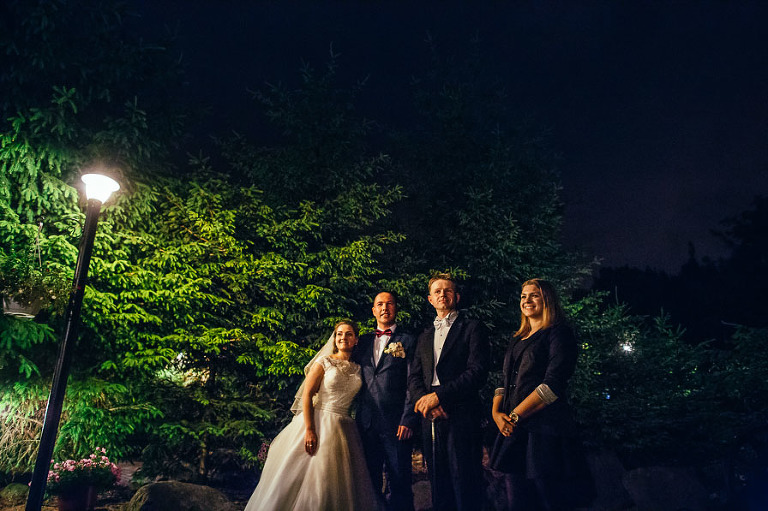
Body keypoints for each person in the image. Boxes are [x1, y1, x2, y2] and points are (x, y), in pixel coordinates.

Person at [245, 320, 379, 511]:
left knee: (340, 481)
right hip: (319, 422)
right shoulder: (324, 362)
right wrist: (309, 429)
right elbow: (307, 395)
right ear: (334, 338)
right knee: (312, 476)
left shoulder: (359, 368)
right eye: (339, 334)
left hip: (345, 428)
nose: (343, 337)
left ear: (356, 340)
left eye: (349, 334)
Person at [489, 278, 594, 511]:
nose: (527, 300)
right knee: (517, 501)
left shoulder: (558, 334)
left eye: (534, 295)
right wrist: (496, 413)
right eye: (523, 296)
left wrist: (514, 415)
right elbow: (503, 380)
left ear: (547, 299)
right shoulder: (517, 338)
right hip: (515, 431)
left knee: (549, 499)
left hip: (545, 432)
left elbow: (553, 384)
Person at [408, 273, 490, 511]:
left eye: (448, 290)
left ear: (457, 297)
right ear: (430, 299)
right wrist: (425, 402)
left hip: (461, 412)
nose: (442, 294)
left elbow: (477, 371)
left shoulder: (472, 328)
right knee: (438, 480)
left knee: (465, 480)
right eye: (437, 291)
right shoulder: (424, 336)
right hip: (429, 414)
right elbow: (414, 376)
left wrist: (440, 397)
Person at [354, 291, 418, 511]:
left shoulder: (409, 341)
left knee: (399, 481)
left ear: (395, 308)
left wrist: (408, 419)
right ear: (373, 310)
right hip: (366, 424)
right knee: (369, 481)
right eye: (380, 304)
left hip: (396, 424)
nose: (384, 308)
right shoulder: (362, 342)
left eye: (389, 304)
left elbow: (413, 382)